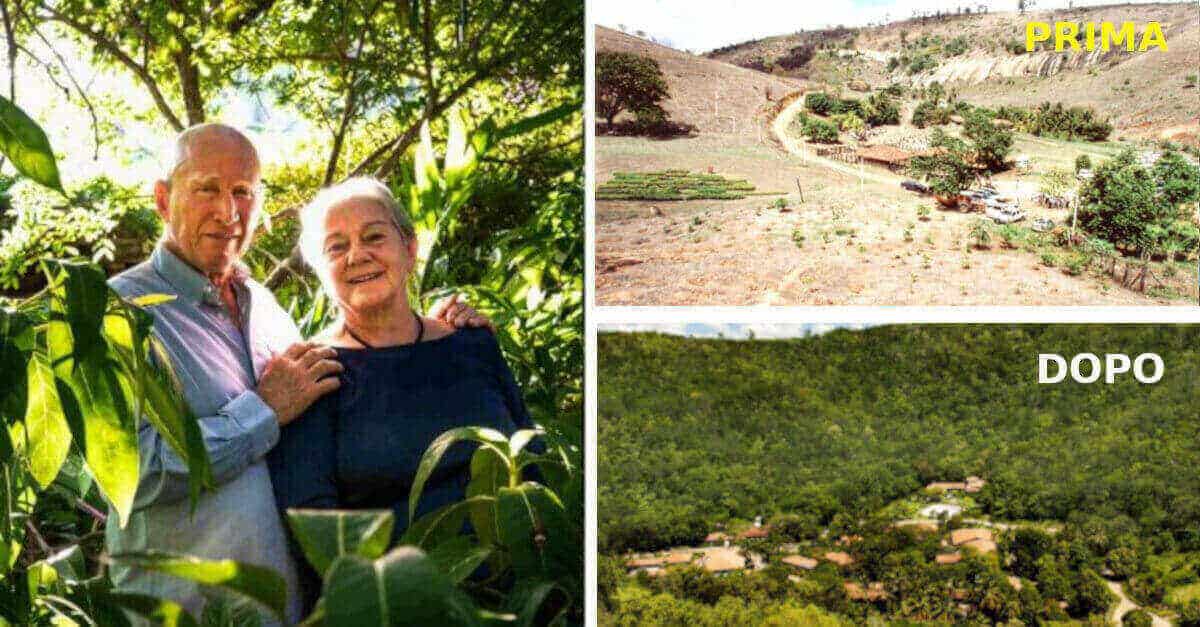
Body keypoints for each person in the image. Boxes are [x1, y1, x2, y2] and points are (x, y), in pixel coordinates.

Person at [107, 124, 489, 625]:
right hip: (188, 611)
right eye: (207, 189)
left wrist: (437, 331)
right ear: (163, 199)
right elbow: (131, 476)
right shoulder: (118, 311)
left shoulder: (263, 306)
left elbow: (347, 382)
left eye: (243, 191)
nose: (228, 212)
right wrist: (262, 411)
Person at [267, 177, 537, 610]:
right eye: (336, 247)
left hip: (522, 598)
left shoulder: (472, 342)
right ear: (320, 271)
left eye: (374, 236)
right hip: (398, 603)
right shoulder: (312, 373)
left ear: (410, 248)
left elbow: (532, 454)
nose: (358, 255)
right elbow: (317, 533)